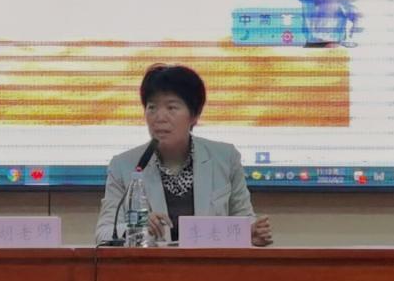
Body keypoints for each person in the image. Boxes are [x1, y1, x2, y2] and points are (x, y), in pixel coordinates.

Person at [95, 64, 272, 246]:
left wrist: (252, 232)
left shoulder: (225, 158)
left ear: (194, 115)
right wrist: (135, 227)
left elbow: (243, 219)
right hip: (151, 263)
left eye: (171, 108)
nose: (159, 117)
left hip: (209, 263)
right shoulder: (124, 165)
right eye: (152, 107)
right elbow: (104, 232)